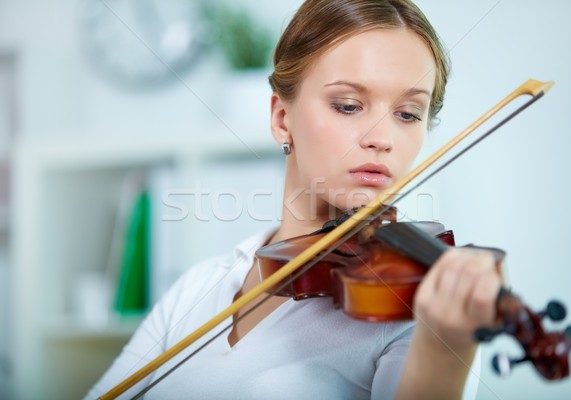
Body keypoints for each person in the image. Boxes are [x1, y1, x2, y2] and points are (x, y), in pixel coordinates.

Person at [85, 0, 501, 399]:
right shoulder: (198, 286)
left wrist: (446, 351)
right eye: (348, 105)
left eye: (408, 114)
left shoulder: (412, 313)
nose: (383, 139)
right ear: (282, 120)